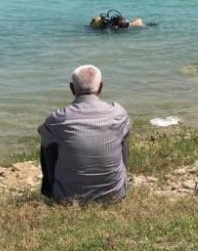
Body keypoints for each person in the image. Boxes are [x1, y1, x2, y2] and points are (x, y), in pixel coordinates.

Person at [38, 65, 132, 203]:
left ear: (72, 88)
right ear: (101, 87)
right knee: (123, 133)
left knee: (47, 139)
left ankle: (50, 191)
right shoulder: (118, 114)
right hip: (115, 196)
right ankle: (119, 181)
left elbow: (41, 132)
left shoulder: (58, 119)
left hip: (68, 198)